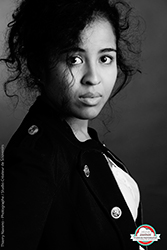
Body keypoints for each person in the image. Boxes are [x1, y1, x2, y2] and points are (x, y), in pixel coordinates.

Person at [1, 0, 146, 249]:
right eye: (75, 59)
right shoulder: (36, 157)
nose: (93, 77)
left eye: (105, 58)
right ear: (39, 65)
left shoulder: (83, 138)